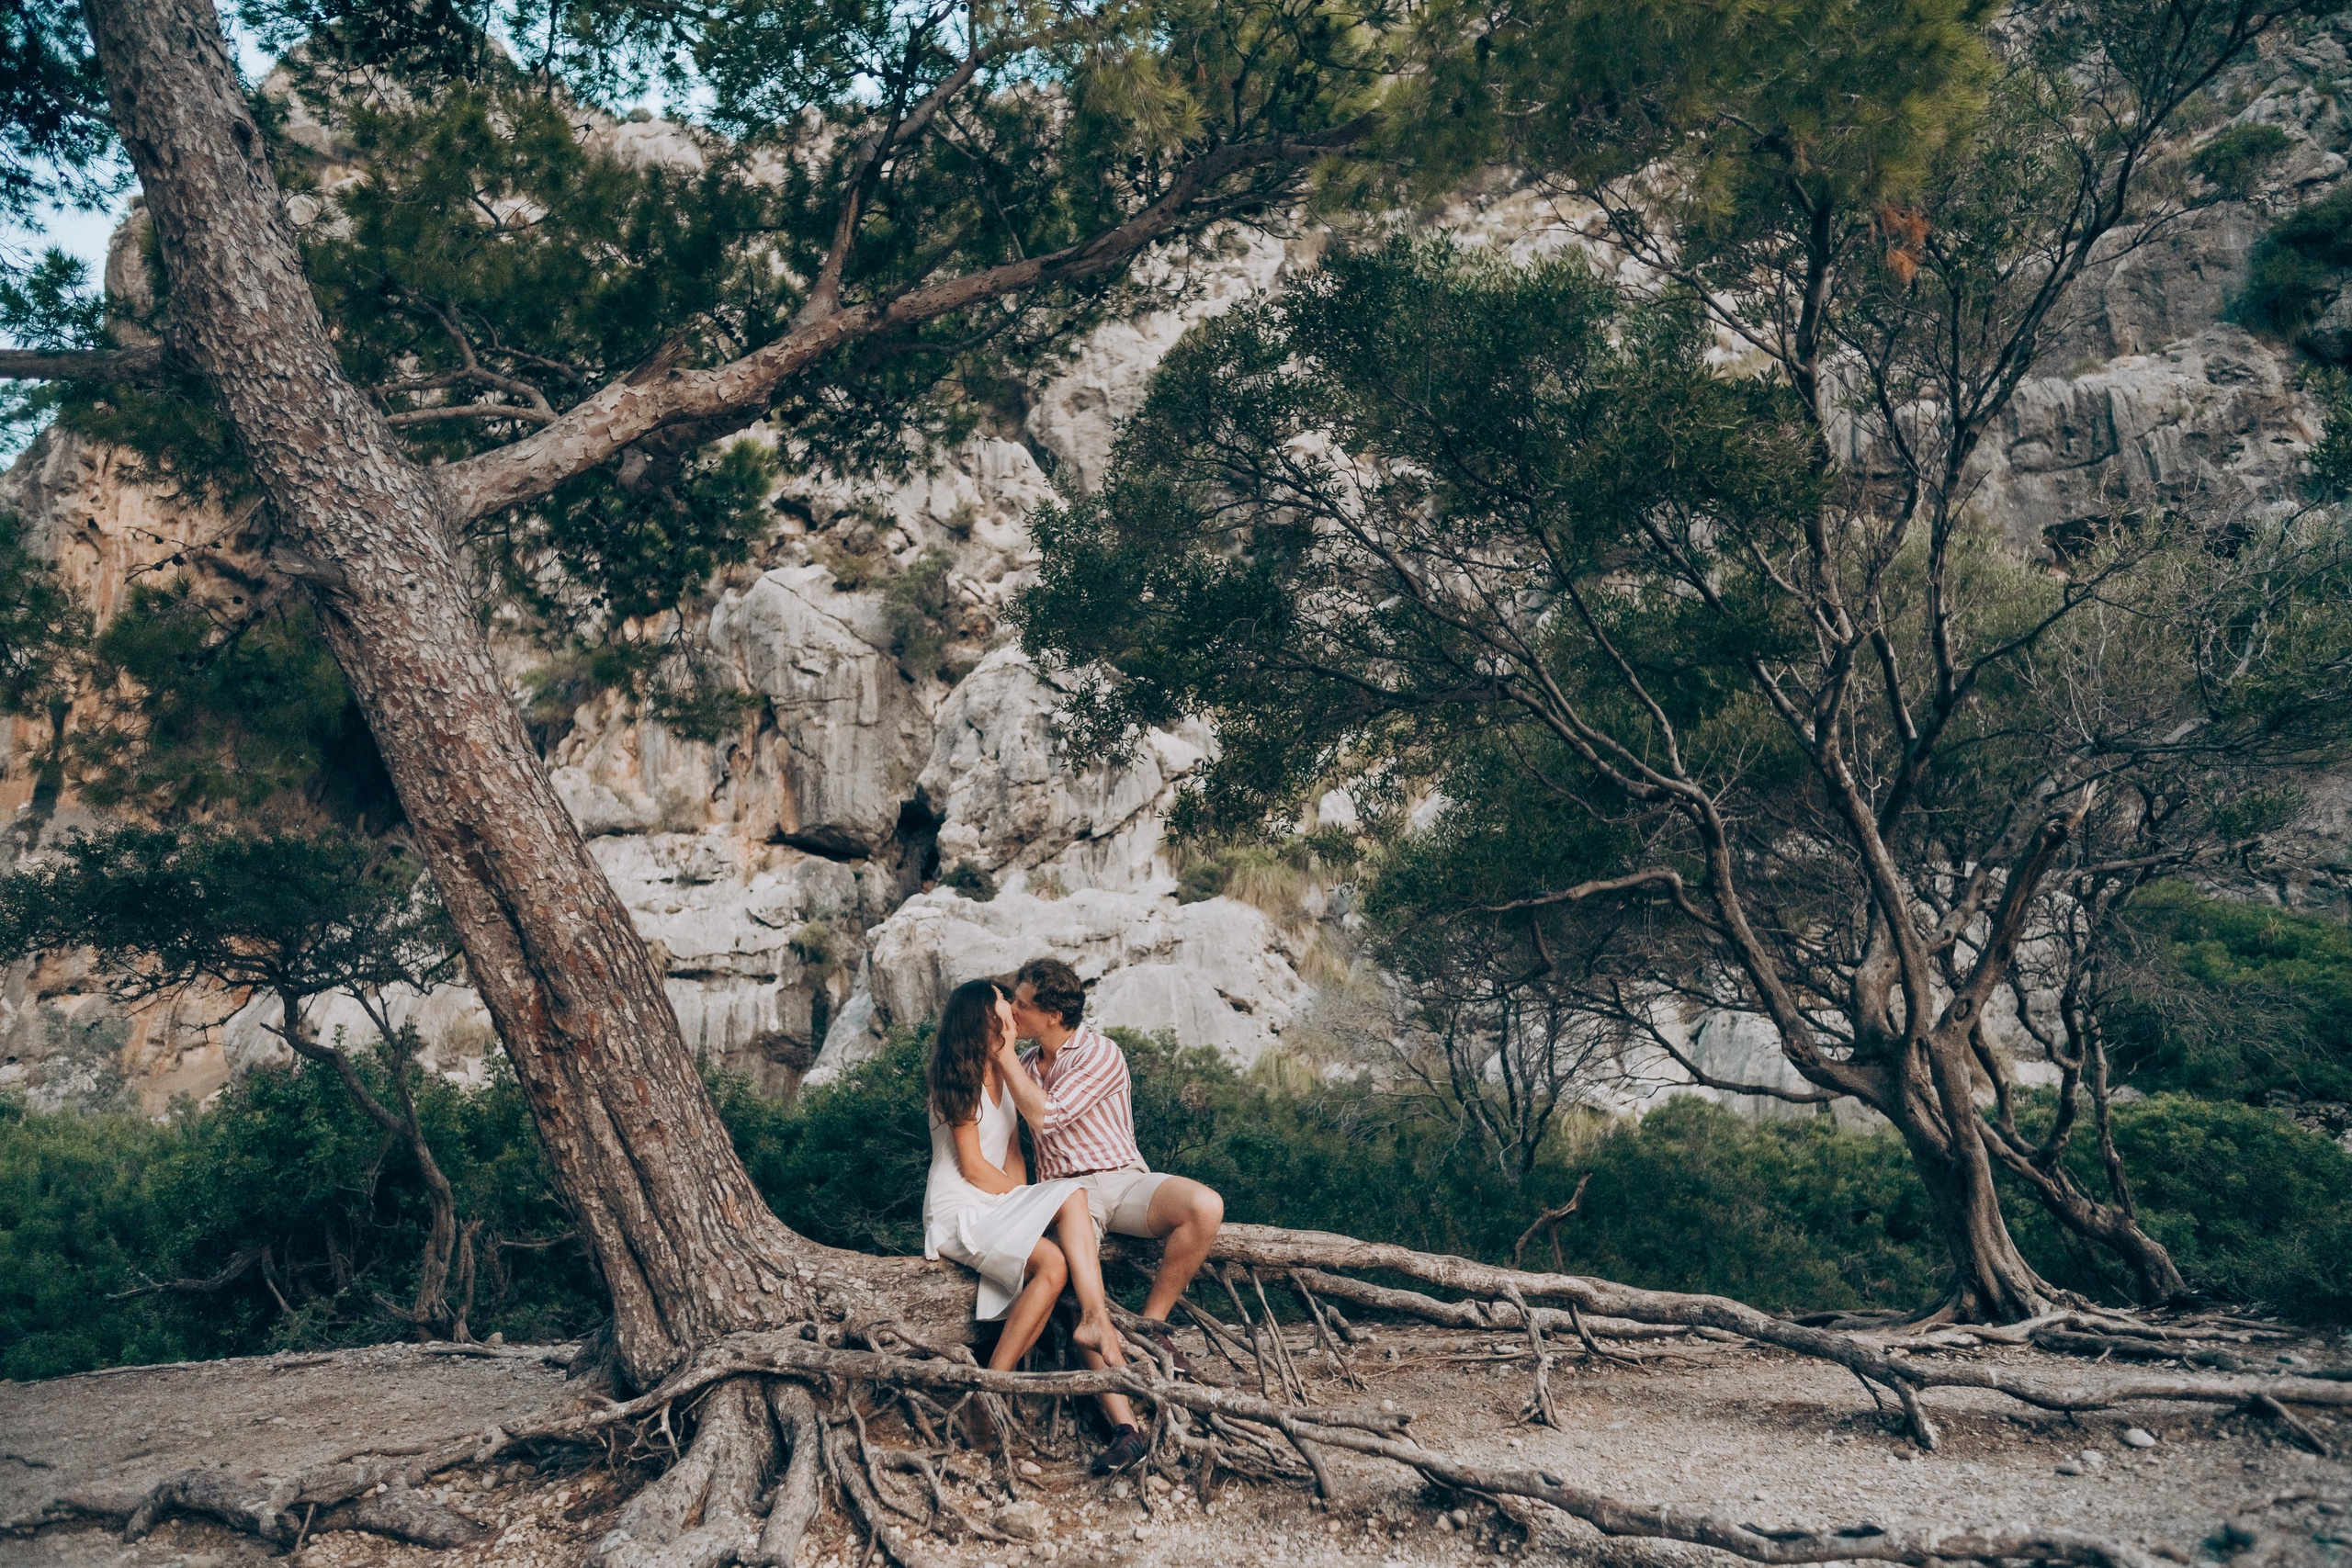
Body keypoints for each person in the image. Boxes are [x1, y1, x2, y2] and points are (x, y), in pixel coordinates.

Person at [990, 955, 1227, 1473]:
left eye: (1022, 1004)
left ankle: (1154, 1324)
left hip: (1124, 1178)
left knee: (1205, 1205)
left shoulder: (1098, 1052)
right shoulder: (1027, 1064)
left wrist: (1004, 1051)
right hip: (1070, 1195)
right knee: (1077, 1293)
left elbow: (1046, 1118)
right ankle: (1126, 1429)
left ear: (1053, 1015)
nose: (1013, 1010)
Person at [922, 977, 1126, 1383]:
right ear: (982, 1014)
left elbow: (1014, 1154)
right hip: (958, 1207)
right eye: (1003, 1000)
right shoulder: (956, 1076)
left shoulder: (1008, 1075)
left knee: (1054, 1264)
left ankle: (995, 1383)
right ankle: (1093, 1319)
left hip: (992, 1201)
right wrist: (1030, 1203)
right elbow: (973, 1167)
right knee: (1071, 1194)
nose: (1012, 1007)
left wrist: (1026, 1205)